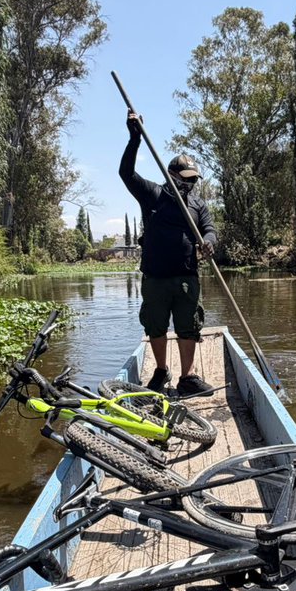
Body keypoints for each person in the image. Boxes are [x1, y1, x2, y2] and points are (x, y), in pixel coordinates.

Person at [119, 110, 216, 396]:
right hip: (156, 277)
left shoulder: (198, 204)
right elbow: (126, 173)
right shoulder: (153, 194)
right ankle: (161, 371)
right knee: (156, 325)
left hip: (187, 276)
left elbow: (210, 229)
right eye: (186, 179)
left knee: (189, 327)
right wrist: (134, 138)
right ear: (172, 175)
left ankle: (188, 377)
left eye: (194, 180)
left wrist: (210, 242)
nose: (190, 184)